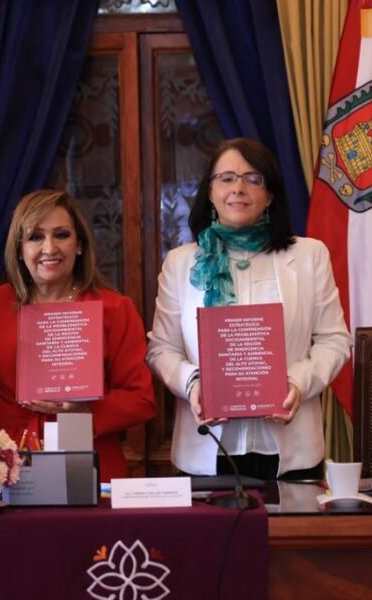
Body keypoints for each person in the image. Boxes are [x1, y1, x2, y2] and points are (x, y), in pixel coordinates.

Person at [147, 138, 351, 480]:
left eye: (253, 179)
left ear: (269, 195)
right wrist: (193, 384)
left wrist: (298, 383)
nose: (238, 188)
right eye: (226, 178)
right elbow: (162, 349)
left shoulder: (309, 255)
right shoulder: (180, 263)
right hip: (207, 448)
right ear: (210, 192)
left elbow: (335, 341)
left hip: (291, 448)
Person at [0, 190, 156, 481]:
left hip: (88, 460)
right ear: (19, 249)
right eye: (35, 237)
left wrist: (86, 408)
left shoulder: (114, 309)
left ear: (79, 244)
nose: (49, 248)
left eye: (61, 235)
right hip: (8, 464)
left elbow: (142, 400)